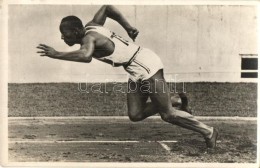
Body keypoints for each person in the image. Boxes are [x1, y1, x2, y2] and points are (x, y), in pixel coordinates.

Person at [36, 5, 218, 148]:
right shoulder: (93, 24)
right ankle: (175, 99)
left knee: (168, 115)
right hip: (133, 68)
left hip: (145, 65)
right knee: (135, 114)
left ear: (76, 32)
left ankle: (208, 131)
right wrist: (128, 27)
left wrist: (56, 54)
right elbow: (107, 7)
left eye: (64, 34)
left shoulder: (88, 39)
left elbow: (85, 56)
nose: (62, 38)